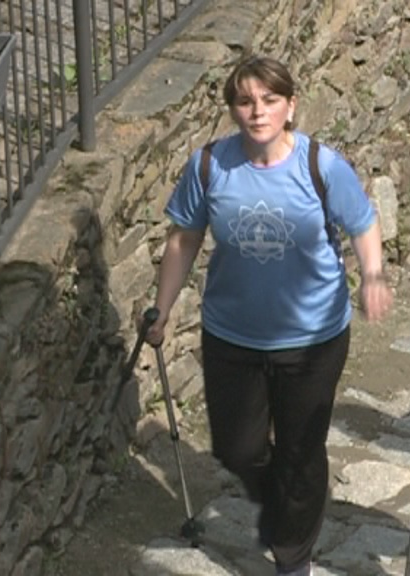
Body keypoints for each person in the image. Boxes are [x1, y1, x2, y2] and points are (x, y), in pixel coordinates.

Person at [144, 55, 392, 576]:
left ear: (290, 104)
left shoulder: (321, 166)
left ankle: (292, 556)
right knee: (238, 450)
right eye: (245, 101)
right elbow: (184, 237)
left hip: (313, 337)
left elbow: (363, 224)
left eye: (269, 100)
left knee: (301, 451)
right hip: (232, 334)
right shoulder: (209, 165)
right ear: (233, 109)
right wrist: (162, 308)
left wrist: (372, 275)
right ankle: (282, 492)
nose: (257, 111)